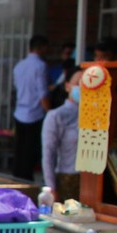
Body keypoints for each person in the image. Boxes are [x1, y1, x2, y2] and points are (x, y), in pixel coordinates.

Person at [12, 35, 50, 180]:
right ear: (42, 48)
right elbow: (42, 93)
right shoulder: (40, 66)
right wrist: (49, 112)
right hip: (35, 113)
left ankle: (16, 178)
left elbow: (17, 87)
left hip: (20, 111)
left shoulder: (19, 66)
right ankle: (26, 180)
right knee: (30, 151)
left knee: (19, 150)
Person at [41, 70, 82, 202]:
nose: (82, 88)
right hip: (67, 179)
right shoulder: (57, 115)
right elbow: (48, 153)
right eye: (78, 83)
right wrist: (51, 187)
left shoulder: (98, 116)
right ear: (67, 86)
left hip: (91, 183)